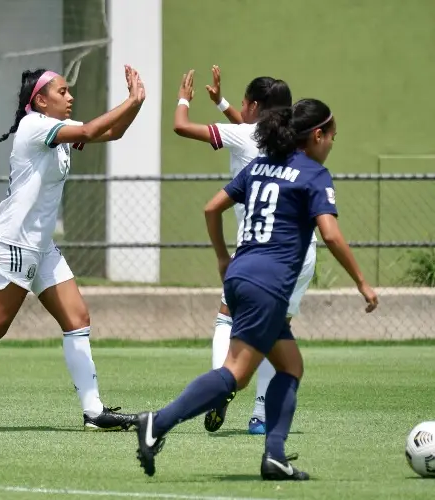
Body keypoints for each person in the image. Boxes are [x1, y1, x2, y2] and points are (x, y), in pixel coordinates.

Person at [134, 98, 378, 480]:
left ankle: (275, 456)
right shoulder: (314, 174)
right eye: (331, 137)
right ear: (316, 136)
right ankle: (157, 422)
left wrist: (220, 258)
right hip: (269, 284)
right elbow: (329, 234)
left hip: (241, 276)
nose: (331, 144)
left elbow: (211, 208)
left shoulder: (259, 166)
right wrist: (363, 282)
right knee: (236, 374)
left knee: (290, 366)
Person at [0, 66, 145, 433]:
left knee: (77, 319)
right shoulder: (36, 126)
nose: (70, 97)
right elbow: (90, 130)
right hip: (16, 242)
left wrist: (137, 103)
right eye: (62, 91)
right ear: (40, 100)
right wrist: (130, 100)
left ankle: (94, 411)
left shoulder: (59, 130)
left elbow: (111, 132)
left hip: (40, 245)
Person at [172, 67, 315, 435]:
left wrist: (183, 97)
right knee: (276, 328)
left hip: (258, 249)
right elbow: (250, 129)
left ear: (253, 105)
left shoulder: (242, 134)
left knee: (226, 318)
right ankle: (261, 416)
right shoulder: (291, 139)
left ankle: (220, 387)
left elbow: (181, 126)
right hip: (299, 250)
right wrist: (221, 103)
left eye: (242, 102)